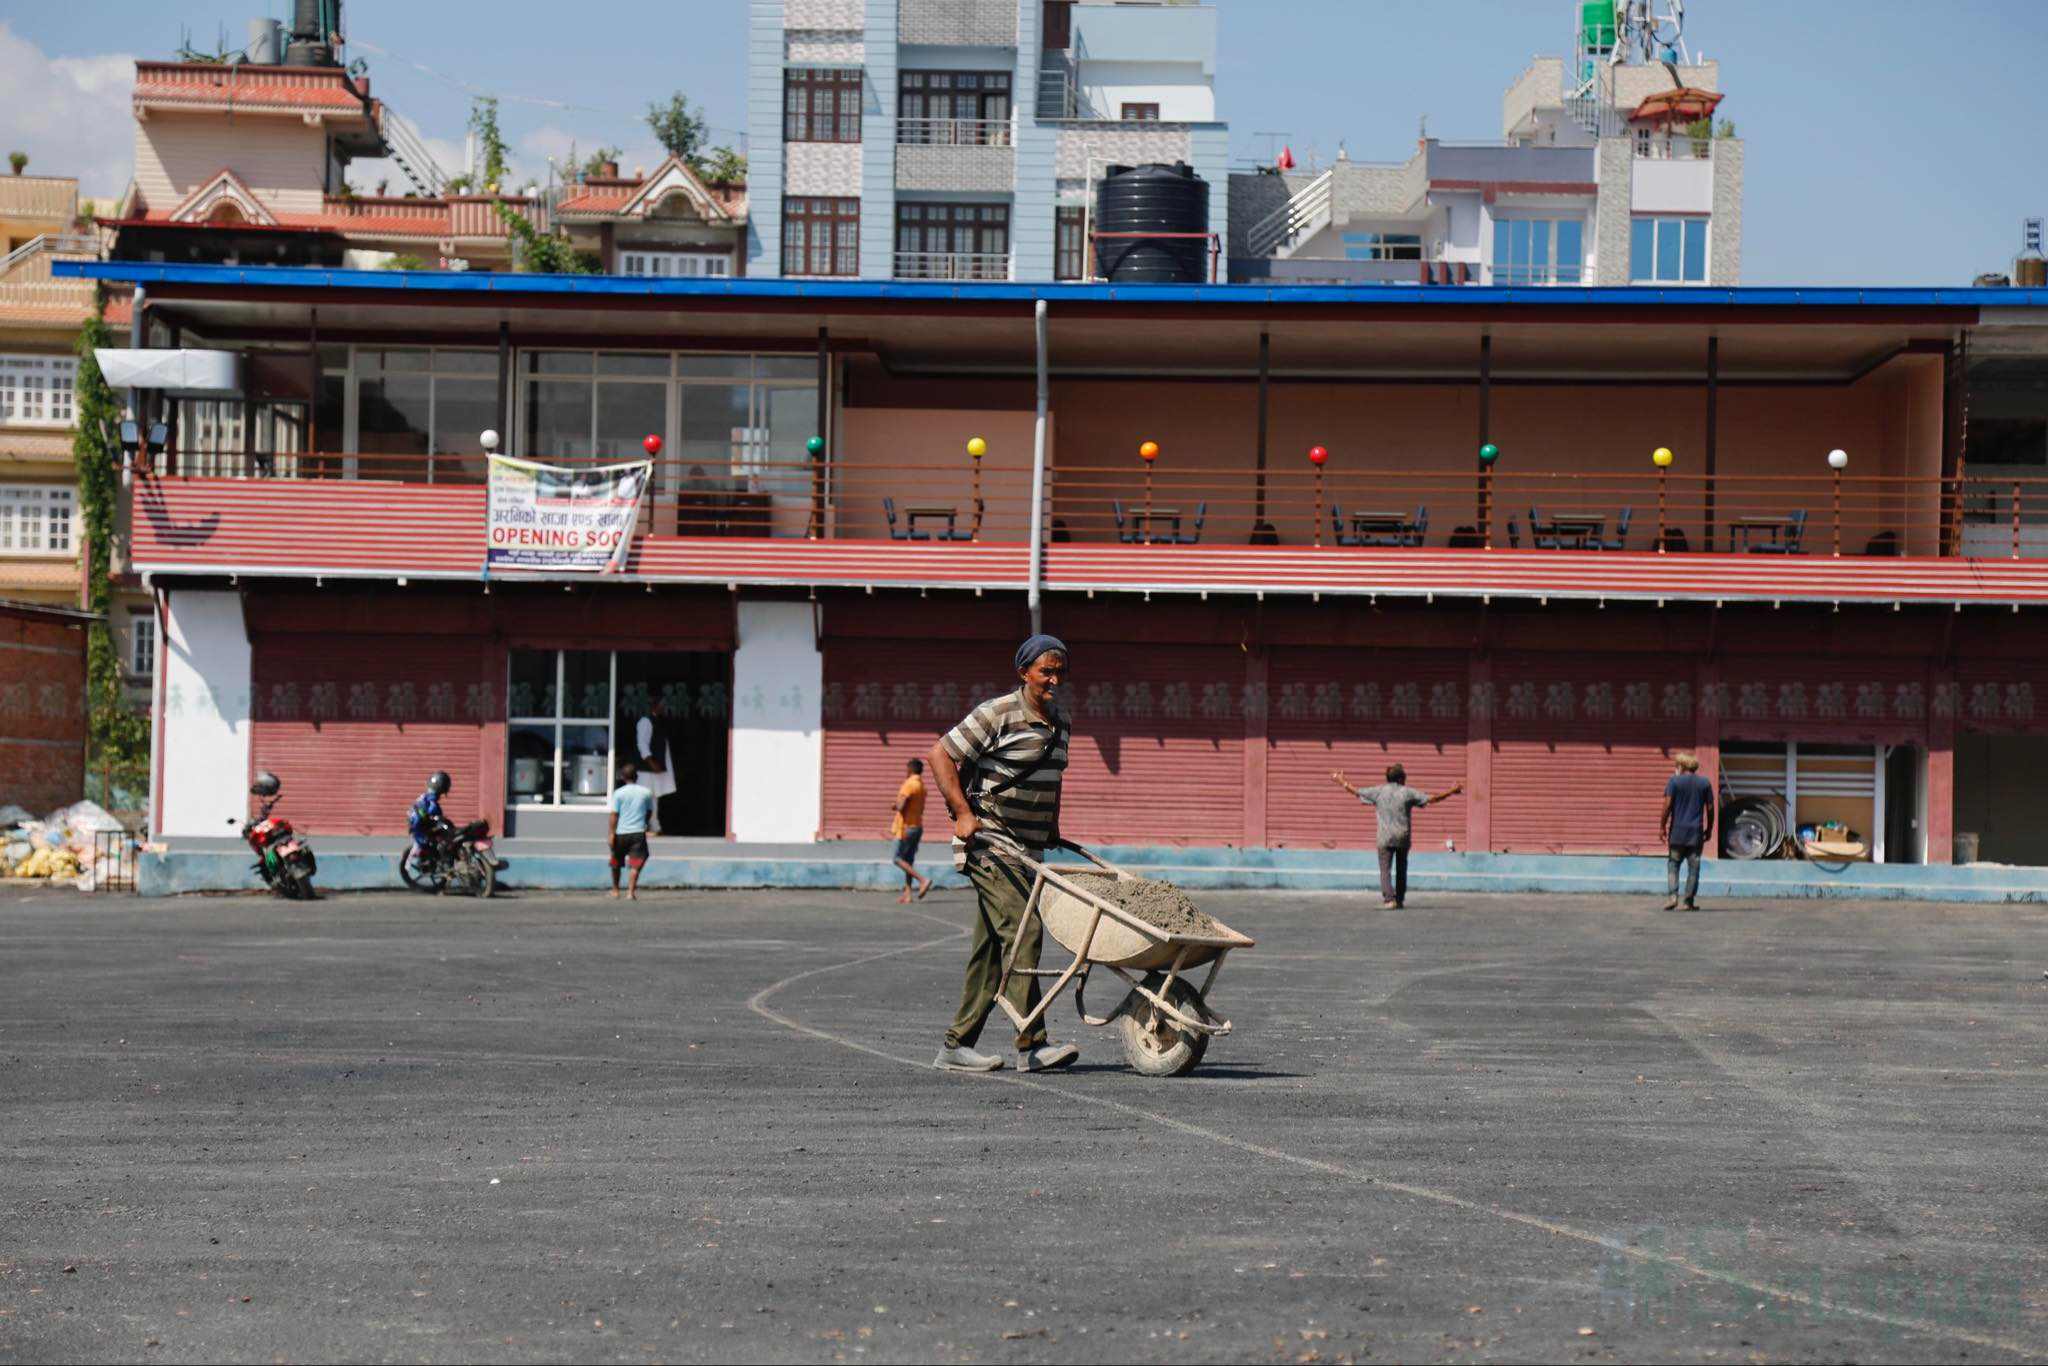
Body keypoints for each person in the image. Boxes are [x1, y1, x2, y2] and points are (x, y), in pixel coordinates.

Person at [924, 633, 1081, 1074]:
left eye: (1059, 671)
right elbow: (940, 754)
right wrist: (961, 813)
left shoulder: (1061, 722)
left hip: (1028, 849)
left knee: (992, 948)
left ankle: (956, 1045)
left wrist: (1051, 826)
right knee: (1024, 931)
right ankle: (1032, 1043)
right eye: (1045, 671)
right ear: (1024, 673)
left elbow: (1053, 778)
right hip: (990, 843)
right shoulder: (998, 713)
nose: (1053, 679)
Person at [1330, 765, 1465, 909]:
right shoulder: (1407, 792)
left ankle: (1389, 900)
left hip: (1384, 837)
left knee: (1385, 870)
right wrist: (1451, 791)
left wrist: (1341, 781)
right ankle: (1399, 900)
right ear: (1401, 778)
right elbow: (1431, 799)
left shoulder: (1379, 791)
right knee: (1402, 869)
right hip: (1402, 837)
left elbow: (1357, 792)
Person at [1660, 752, 1715, 911]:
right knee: (1694, 867)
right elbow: (1710, 808)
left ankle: (1672, 897)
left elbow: (1667, 805)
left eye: (1676, 764)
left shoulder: (1674, 781)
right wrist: (1709, 828)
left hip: (1677, 832)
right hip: (1695, 834)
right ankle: (1688, 902)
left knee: (1673, 864)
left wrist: (1661, 826)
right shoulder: (1704, 783)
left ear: (1681, 766)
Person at [607, 762, 655, 901]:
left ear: (623, 777)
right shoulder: (646, 792)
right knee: (636, 862)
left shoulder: (618, 793)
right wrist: (645, 823)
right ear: (637, 776)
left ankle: (615, 890)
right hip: (638, 833)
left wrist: (611, 833)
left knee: (616, 862)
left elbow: (614, 815)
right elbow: (649, 812)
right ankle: (630, 892)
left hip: (621, 832)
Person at [890, 757, 934, 903]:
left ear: (909, 770)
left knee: (897, 859)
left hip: (906, 828)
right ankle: (908, 895)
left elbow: (901, 806)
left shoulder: (909, 784)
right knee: (908, 860)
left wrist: (895, 805)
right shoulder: (922, 786)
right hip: (917, 827)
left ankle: (923, 880)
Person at [635, 692, 679, 836]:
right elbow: (642, 743)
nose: (663, 708)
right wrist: (651, 761)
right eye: (661, 706)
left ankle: (654, 826)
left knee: (654, 798)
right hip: (646, 769)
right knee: (644, 798)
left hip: (654, 769)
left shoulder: (657, 720)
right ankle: (641, 826)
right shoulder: (645, 721)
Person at [408, 770, 453, 871]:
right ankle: (439, 861)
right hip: (421, 825)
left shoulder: (427, 796)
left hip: (422, 823)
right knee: (434, 841)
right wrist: (438, 817)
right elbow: (432, 810)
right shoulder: (431, 798)